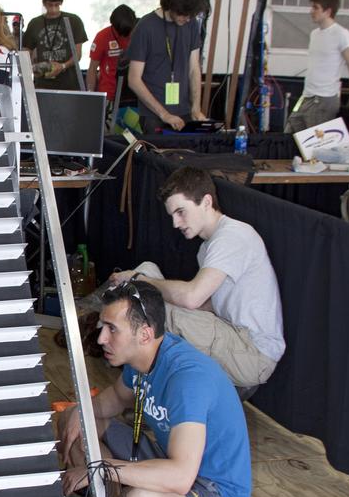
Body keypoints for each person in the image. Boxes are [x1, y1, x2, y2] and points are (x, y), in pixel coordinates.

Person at [58, 280, 251, 497]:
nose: (102, 338)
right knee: (75, 418)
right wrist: (77, 413)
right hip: (167, 460)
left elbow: (181, 477)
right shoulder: (142, 359)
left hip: (212, 491)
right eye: (103, 327)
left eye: (112, 329)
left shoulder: (188, 380)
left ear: (145, 335)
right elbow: (112, 400)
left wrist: (98, 469)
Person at [106, 166, 284, 388]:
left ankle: (139, 386)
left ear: (207, 202)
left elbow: (192, 298)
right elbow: (208, 304)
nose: (176, 223)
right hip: (231, 336)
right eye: (172, 215)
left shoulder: (232, 236)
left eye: (181, 212)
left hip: (252, 353)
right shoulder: (207, 248)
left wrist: (140, 282)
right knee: (148, 271)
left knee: (146, 296)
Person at [126, 0, 208, 131]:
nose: (187, 18)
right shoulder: (145, 27)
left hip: (184, 111)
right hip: (154, 115)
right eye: (183, 14)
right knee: (157, 154)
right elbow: (134, 80)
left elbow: (194, 69)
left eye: (190, 15)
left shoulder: (191, 24)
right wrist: (164, 114)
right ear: (170, 5)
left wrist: (196, 108)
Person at [285, 0, 349, 133]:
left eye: (315, 8)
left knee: (315, 145)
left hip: (324, 99)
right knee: (289, 134)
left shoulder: (341, 34)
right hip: (306, 96)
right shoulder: (314, 34)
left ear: (328, 11)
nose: (311, 11)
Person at [23, 0, 87, 89]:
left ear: (61, 2)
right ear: (44, 3)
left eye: (56, 5)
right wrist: (33, 68)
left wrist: (62, 66)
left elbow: (78, 54)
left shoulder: (74, 21)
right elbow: (25, 53)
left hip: (69, 84)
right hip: (43, 84)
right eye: (50, 5)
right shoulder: (35, 24)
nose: (53, 9)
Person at [87, 5, 136, 101]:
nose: (124, 36)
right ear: (113, 25)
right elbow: (92, 69)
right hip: (108, 93)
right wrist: (90, 94)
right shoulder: (102, 37)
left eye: (128, 32)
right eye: (120, 33)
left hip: (133, 92)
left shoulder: (138, 33)